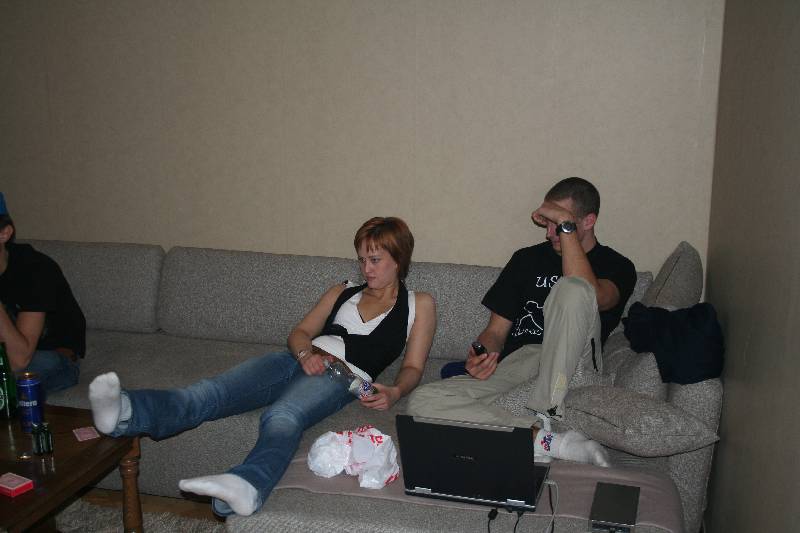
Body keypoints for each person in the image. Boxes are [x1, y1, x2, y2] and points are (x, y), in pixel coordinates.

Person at [89, 216, 436, 517]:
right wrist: (305, 355)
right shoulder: (343, 291)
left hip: (341, 376)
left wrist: (395, 391)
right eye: (361, 260)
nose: (366, 269)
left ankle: (248, 485)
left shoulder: (418, 304)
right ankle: (126, 412)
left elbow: (413, 367)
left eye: (375, 260)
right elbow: (299, 333)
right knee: (212, 391)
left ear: (398, 259)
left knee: (283, 415)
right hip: (296, 359)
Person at [408, 177, 636, 466]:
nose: (550, 233)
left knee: (572, 288)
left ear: (588, 221)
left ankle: (547, 411)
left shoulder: (617, 265)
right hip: (520, 363)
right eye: (549, 223)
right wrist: (482, 353)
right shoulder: (526, 260)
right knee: (423, 400)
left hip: (574, 360)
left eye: (560, 224)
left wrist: (565, 228)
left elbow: (594, 296)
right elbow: (495, 332)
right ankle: (547, 440)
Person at [0, 192, 86, 392]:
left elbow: (19, 360)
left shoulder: (36, 269)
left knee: (24, 372)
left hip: (54, 359)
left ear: (4, 233)